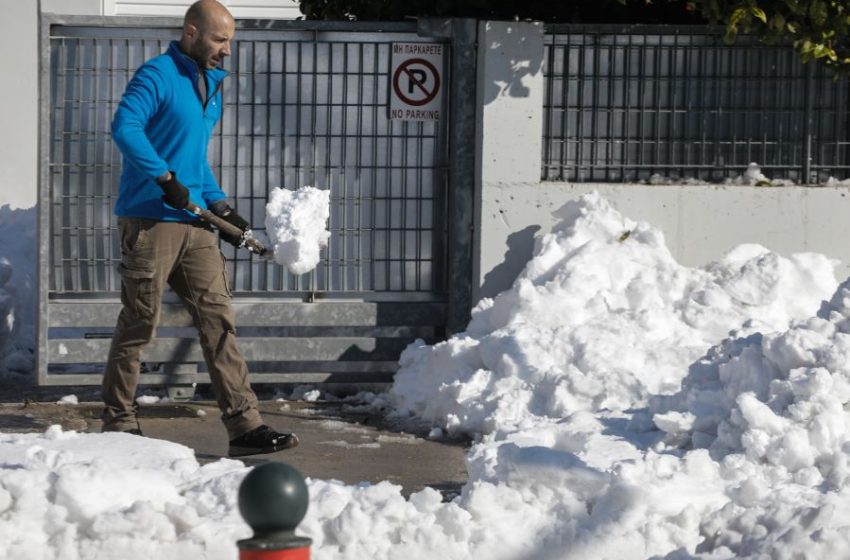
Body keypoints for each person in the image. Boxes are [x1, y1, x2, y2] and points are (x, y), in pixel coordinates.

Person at [102, 0, 298, 458]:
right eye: (219, 39)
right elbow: (125, 127)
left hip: (194, 223)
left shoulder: (210, 85)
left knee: (218, 319)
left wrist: (220, 205)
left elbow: (193, 160)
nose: (227, 50)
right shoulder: (157, 75)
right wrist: (164, 179)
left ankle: (244, 425)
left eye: (230, 40)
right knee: (139, 322)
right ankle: (118, 423)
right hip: (151, 221)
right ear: (191, 33)